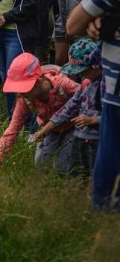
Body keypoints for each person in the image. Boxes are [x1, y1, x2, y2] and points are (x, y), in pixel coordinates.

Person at [67, 0, 120, 211]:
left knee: (110, 162)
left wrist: (101, 20)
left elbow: (73, 23)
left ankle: (104, 225)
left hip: (116, 90)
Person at [0, 53, 79, 172]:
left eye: (24, 87)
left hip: (74, 127)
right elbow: (12, 131)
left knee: (63, 167)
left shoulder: (63, 85)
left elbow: (85, 96)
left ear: (39, 80)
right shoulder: (25, 99)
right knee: (40, 165)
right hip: (49, 130)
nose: (21, 93)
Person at [32, 38, 102, 177]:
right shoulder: (85, 84)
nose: (80, 74)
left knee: (98, 173)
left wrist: (94, 120)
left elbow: (114, 113)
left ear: (95, 65)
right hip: (82, 136)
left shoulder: (107, 85)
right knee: (72, 170)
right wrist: (47, 128)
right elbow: (70, 107)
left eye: (82, 70)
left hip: (100, 139)